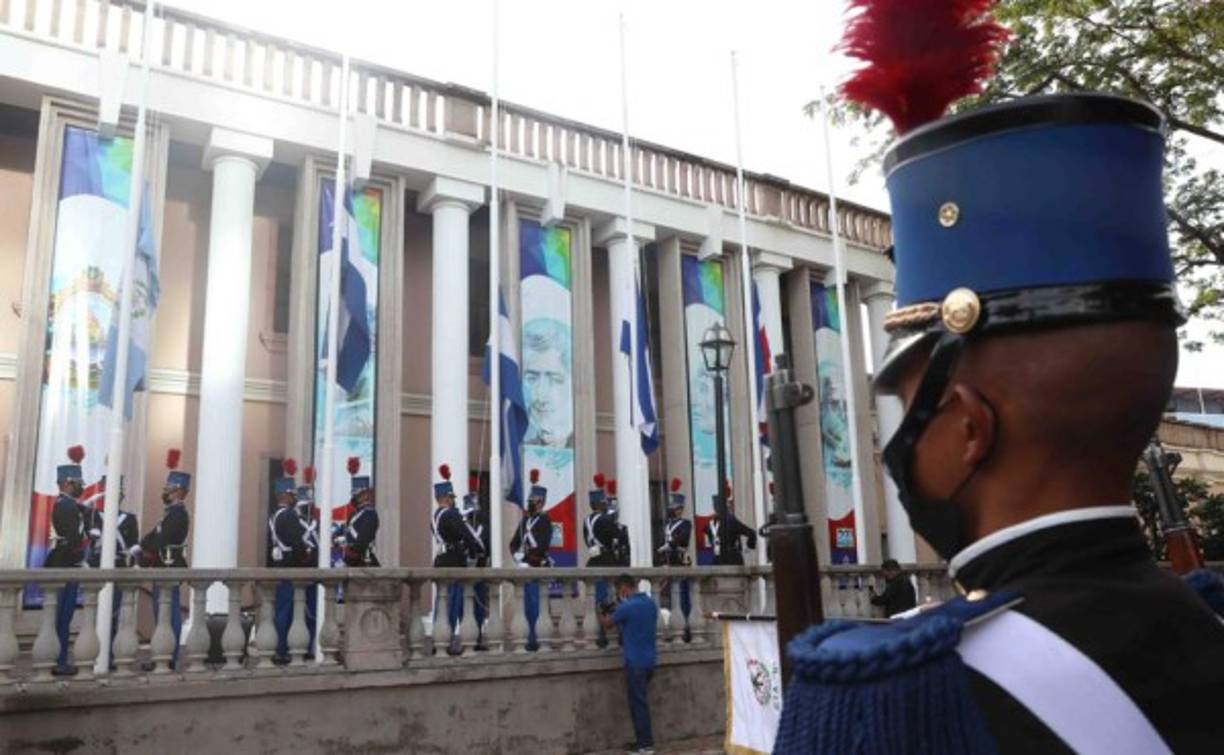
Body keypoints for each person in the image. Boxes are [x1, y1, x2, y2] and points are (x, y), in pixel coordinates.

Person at [774, 5, 1224, 751]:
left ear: (967, 426)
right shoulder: (1206, 620)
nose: (898, 445)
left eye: (910, 405)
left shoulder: (891, 697)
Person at [139, 449, 192, 669]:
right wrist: (140, 545)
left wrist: (146, 551)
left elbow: (163, 539)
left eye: (169, 489)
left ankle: (167, 657)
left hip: (168, 567)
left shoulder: (178, 514)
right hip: (163, 567)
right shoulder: (170, 513)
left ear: (179, 491)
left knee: (167, 615)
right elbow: (155, 534)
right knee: (162, 614)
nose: (166, 491)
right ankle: (164, 654)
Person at [598, 574, 659, 755]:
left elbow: (607, 624)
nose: (619, 594)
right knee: (641, 702)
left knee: (637, 704)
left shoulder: (626, 607)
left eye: (618, 590)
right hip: (650, 660)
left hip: (635, 662)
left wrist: (600, 613)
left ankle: (645, 745)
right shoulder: (650, 604)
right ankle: (642, 741)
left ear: (624, 588)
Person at [431, 464, 484, 655]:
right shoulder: (451, 514)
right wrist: (476, 550)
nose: (453, 501)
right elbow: (465, 534)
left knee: (441, 601)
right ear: (445, 498)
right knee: (451, 603)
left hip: (441, 559)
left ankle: (439, 637)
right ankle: (447, 640)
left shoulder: (436, 515)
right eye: (451, 497)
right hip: (452, 560)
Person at [44, 445, 87, 676]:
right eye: (78, 482)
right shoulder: (66, 506)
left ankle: (57, 658)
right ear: (68, 482)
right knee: (61, 615)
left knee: (63, 615)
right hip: (64, 563)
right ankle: (57, 660)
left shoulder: (69, 505)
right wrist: (82, 559)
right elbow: (73, 539)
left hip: (65, 561)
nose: (81, 486)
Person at [267, 459, 312, 664]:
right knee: (287, 609)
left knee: (281, 608)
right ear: (285, 494)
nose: (295, 497)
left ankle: (279, 647)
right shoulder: (289, 516)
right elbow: (296, 542)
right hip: (290, 565)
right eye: (292, 493)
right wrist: (305, 556)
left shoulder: (274, 515)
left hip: (279, 564)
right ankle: (282, 649)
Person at [510, 469, 552, 650]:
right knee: (527, 607)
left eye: (533, 501)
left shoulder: (545, 520)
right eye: (529, 501)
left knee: (538, 606)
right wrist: (517, 556)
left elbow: (544, 544)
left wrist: (529, 557)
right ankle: (530, 639)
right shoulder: (524, 522)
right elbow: (513, 543)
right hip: (526, 567)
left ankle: (537, 639)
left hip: (537, 566)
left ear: (541, 502)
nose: (530, 504)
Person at [461, 476, 491, 650]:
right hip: (471, 569)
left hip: (476, 569)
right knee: (468, 607)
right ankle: (473, 638)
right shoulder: (464, 526)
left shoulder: (481, 527)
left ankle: (477, 637)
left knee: (477, 607)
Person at [337, 458, 379, 567]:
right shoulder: (353, 514)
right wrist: (336, 538)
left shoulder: (370, 514)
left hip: (362, 560)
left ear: (366, 495)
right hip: (350, 559)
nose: (356, 497)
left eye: (359, 495)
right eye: (355, 495)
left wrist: (350, 555)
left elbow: (363, 540)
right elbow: (342, 531)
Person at [704, 483, 757, 566]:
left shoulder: (708, 525)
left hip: (717, 560)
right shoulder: (731, 520)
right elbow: (751, 533)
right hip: (733, 559)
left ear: (714, 508)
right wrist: (750, 546)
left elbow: (708, 544)